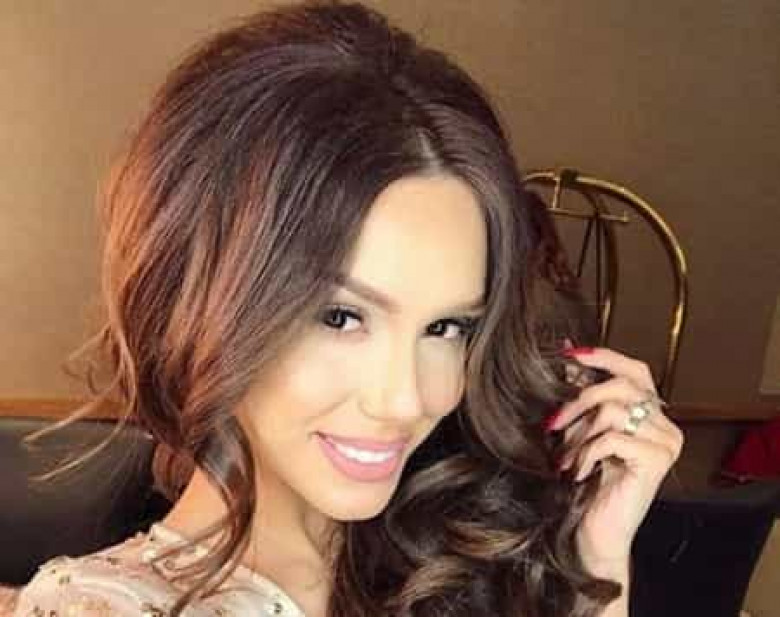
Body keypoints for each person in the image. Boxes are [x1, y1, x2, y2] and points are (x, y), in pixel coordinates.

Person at [11, 2, 683, 616]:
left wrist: (598, 560)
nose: (405, 399)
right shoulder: (101, 609)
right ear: (202, 299)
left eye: (447, 327)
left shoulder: (452, 559)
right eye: (341, 317)